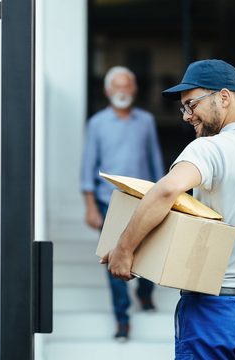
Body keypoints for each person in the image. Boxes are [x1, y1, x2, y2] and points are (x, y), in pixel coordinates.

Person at [102, 59, 235, 358]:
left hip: (216, 313)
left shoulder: (211, 148)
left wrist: (124, 249)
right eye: (184, 108)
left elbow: (166, 190)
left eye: (192, 104)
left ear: (224, 97)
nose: (187, 116)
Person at [81, 66, 164, 342]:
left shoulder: (147, 121)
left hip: (144, 200)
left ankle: (145, 294)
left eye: (126, 85)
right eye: (116, 86)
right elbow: (87, 167)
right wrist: (90, 206)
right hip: (109, 202)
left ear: (134, 90)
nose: (122, 91)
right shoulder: (97, 123)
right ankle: (122, 319)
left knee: (151, 249)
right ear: (107, 91)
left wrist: (166, 195)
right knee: (112, 258)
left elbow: (155, 161)